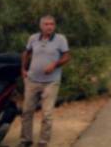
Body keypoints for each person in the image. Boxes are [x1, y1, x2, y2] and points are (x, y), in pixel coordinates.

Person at [19, 15, 71, 147]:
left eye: (52, 24)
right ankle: (26, 140)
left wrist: (55, 64)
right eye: (46, 24)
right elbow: (26, 53)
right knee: (26, 111)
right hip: (32, 81)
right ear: (41, 26)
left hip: (51, 82)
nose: (49, 27)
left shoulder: (60, 39)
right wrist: (23, 69)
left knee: (47, 113)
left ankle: (43, 141)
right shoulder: (33, 38)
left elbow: (66, 57)